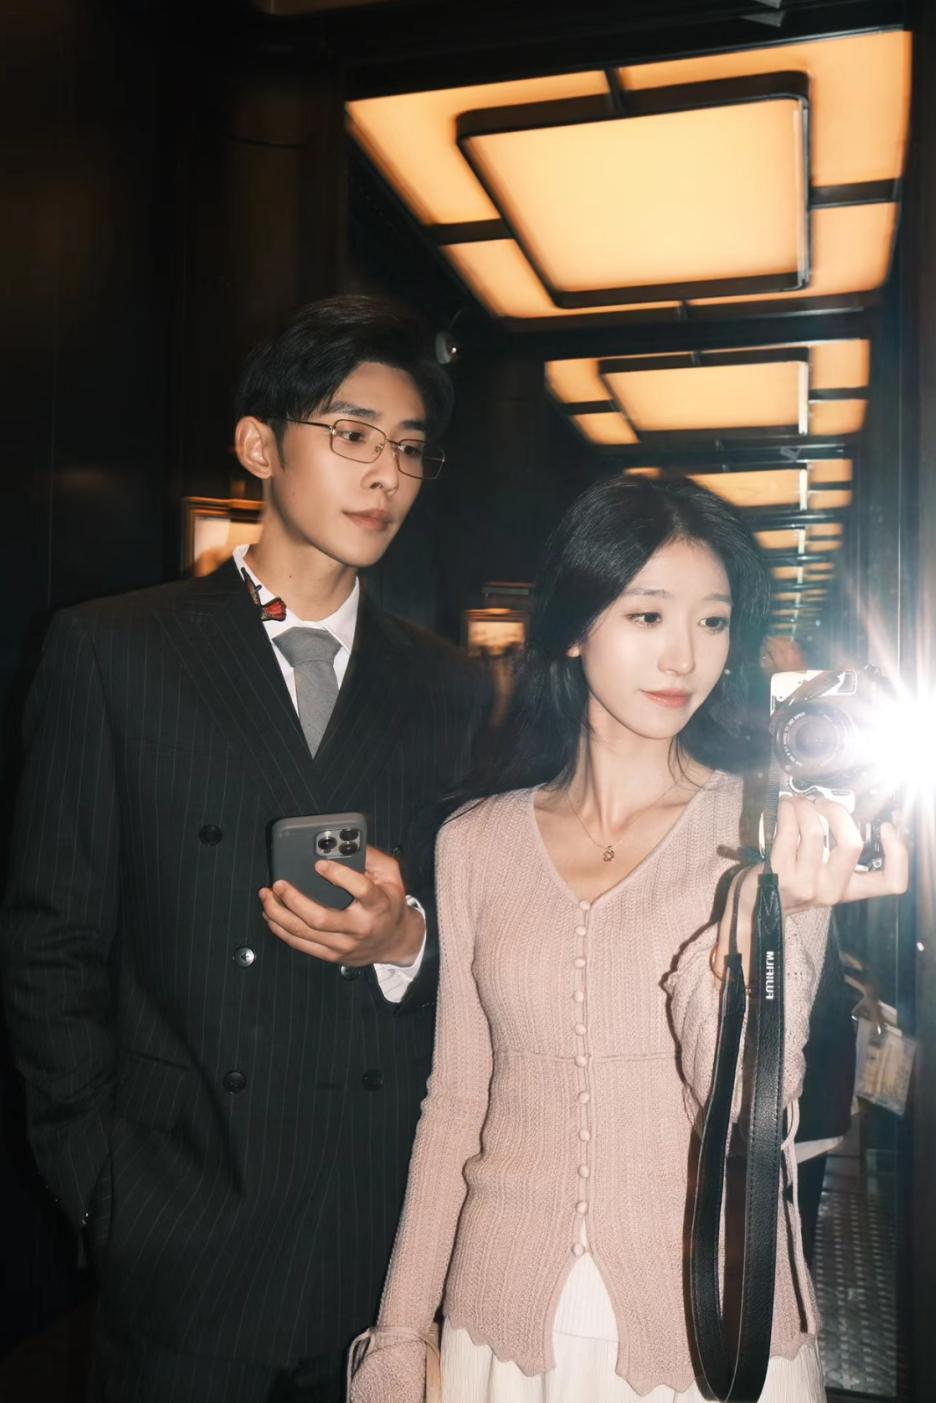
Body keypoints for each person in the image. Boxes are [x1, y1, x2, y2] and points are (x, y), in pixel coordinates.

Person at [0, 295, 491, 1402]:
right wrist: (99, 1184)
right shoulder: (117, 652)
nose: (388, 474)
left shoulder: (448, 687)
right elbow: (50, 940)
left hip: (379, 1220)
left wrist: (405, 939)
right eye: (353, 434)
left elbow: (485, 942)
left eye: (411, 448)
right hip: (182, 1216)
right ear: (260, 446)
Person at [349, 474, 908, 1403]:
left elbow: (750, 1119)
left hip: (713, 1326)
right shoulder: (475, 841)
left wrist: (774, 915)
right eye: (648, 615)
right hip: (502, 1317)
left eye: (714, 621)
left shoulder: (769, 833)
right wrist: (401, 1332)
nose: (684, 655)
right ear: (575, 626)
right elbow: (455, 1104)